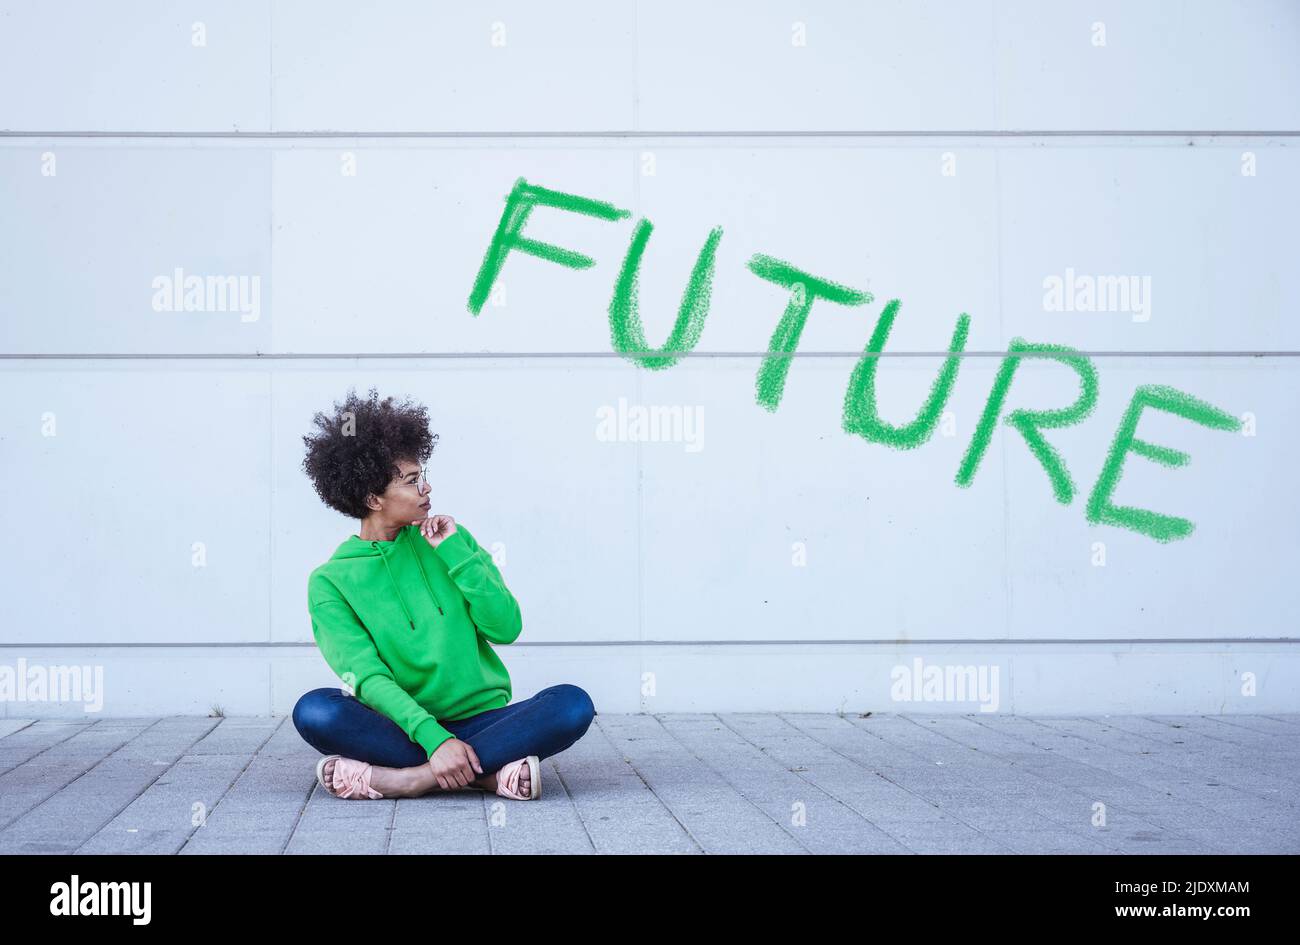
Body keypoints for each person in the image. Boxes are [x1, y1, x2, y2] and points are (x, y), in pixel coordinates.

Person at [293, 386, 595, 800]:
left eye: (424, 477)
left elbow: (506, 627)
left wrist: (458, 555)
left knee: (571, 703)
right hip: (405, 727)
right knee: (316, 711)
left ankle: (410, 780)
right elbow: (367, 678)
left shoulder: (450, 542)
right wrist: (434, 738)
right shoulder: (330, 581)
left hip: (485, 720)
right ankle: (486, 774)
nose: (427, 489)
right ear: (372, 498)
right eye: (413, 481)